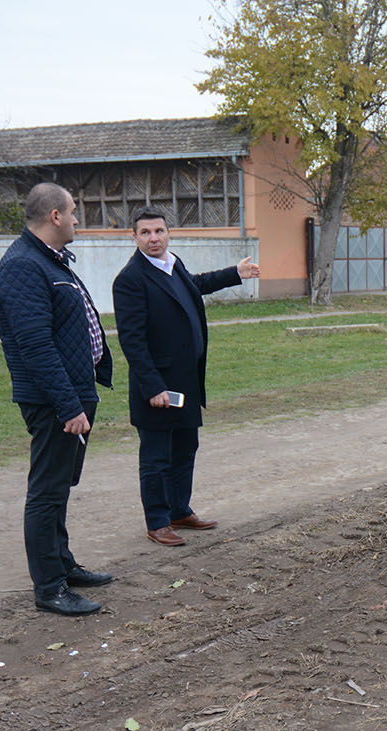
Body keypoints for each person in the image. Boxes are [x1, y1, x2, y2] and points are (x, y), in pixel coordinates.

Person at [0, 183, 114, 616]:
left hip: (73, 393)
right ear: (55, 216)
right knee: (46, 491)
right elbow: (36, 347)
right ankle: (49, 588)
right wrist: (68, 405)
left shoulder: (48, 260)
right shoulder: (24, 267)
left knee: (60, 485)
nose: (78, 219)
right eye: (74, 211)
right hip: (53, 401)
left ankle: (63, 565)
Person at [112, 208, 260, 546]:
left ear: (169, 233)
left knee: (185, 448)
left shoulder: (172, 264)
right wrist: (152, 386)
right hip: (158, 388)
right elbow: (132, 341)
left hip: (186, 381)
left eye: (159, 231)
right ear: (134, 237)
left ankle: (179, 510)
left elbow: (195, 286)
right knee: (156, 456)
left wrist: (234, 273)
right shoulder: (130, 279)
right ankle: (158, 521)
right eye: (146, 233)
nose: (153, 238)